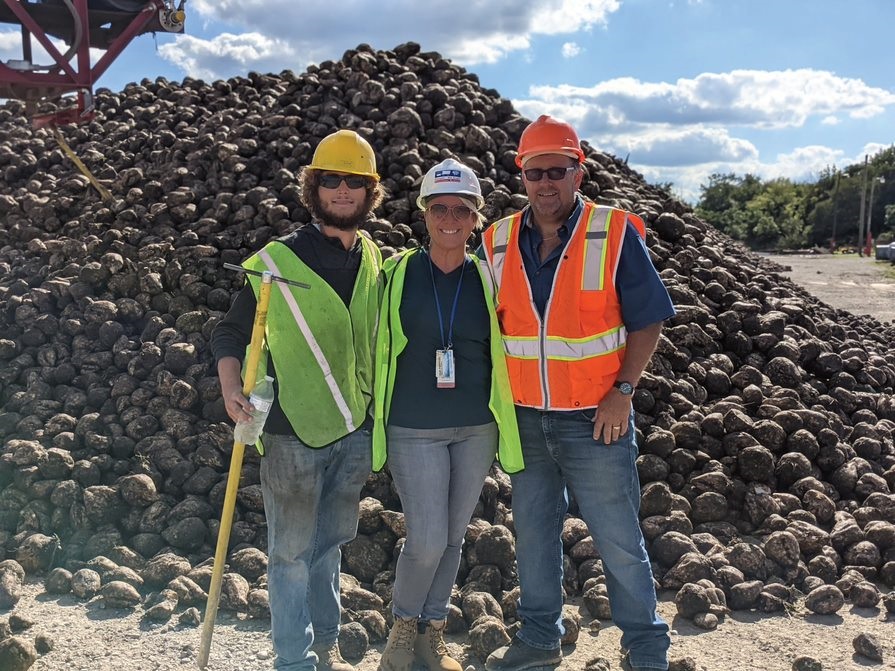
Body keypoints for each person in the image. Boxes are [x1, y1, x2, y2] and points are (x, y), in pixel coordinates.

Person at [480, 116, 675, 671]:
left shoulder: (612, 234)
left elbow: (649, 319)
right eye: (534, 172)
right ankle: (540, 641)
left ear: (578, 172)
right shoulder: (495, 242)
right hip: (523, 419)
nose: (546, 183)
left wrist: (624, 391)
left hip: (596, 418)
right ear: (522, 175)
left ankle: (645, 649)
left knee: (617, 539)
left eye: (557, 171)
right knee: (534, 536)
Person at [211, 129, 385, 671]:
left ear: (368, 192)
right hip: (291, 433)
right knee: (289, 554)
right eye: (330, 180)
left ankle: (326, 642)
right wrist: (230, 387)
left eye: (354, 181)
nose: (342, 190)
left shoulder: (376, 259)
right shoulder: (277, 262)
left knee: (329, 545)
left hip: (355, 427)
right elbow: (230, 332)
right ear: (314, 189)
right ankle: (294, 660)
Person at [373, 159, 525, 671]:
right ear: (424, 212)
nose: (450, 218)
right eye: (440, 207)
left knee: (456, 536)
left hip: (476, 426)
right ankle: (401, 628)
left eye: (462, 208)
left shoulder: (490, 276)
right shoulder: (396, 274)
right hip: (413, 427)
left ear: (476, 216)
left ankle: (431, 633)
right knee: (428, 538)